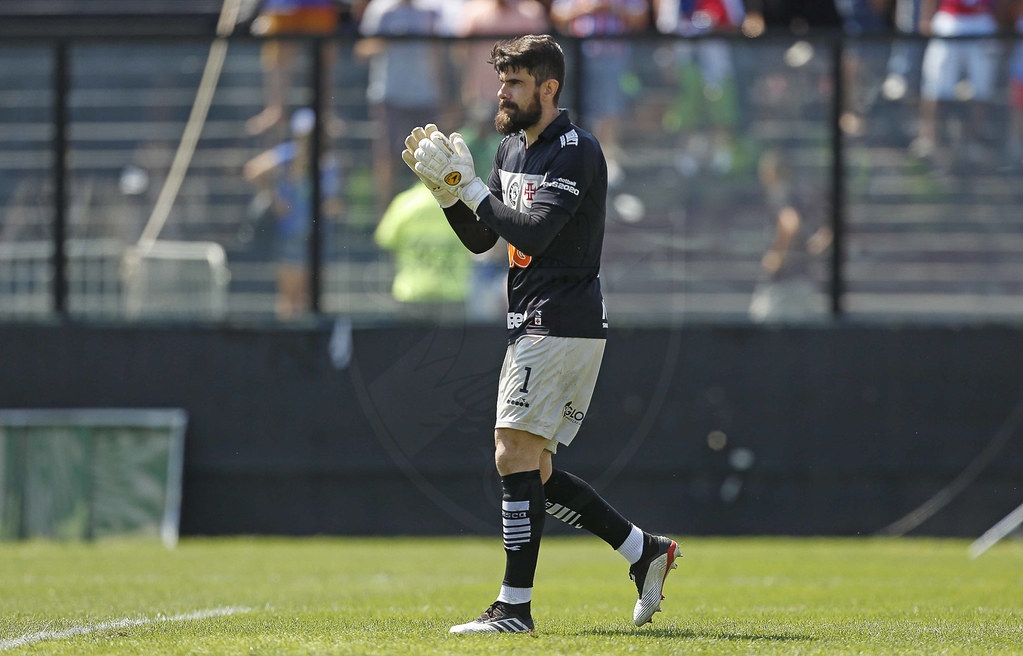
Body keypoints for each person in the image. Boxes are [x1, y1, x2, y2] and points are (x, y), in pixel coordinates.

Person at [401, 34, 681, 634]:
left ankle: (514, 607)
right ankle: (643, 550)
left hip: (561, 319)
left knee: (510, 450)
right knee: (535, 468)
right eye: (501, 81)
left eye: (514, 83)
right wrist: (448, 195)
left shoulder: (577, 151)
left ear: (548, 88)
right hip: (537, 321)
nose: (500, 93)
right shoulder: (509, 149)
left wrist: (469, 189)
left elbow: (536, 234)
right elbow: (485, 239)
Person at [243, 108, 341, 319]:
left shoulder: (327, 164)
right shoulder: (287, 155)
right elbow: (253, 170)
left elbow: (332, 203)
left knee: (309, 298)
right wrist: (274, 198)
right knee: (288, 296)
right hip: (291, 234)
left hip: (315, 236)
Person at [910, 0, 1002, 165]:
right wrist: (926, 16)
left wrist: (1000, 21)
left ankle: (971, 142)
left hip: (983, 19)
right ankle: (929, 139)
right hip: (950, 17)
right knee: (936, 83)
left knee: (981, 86)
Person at [374, 181, 473, 322]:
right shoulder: (461, 204)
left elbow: (384, 239)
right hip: (452, 293)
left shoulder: (404, 203)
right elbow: (480, 242)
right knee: (452, 344)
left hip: (413, 292)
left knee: (411, 343)